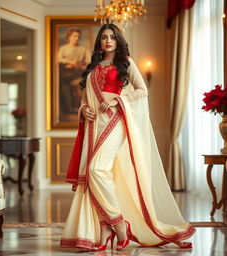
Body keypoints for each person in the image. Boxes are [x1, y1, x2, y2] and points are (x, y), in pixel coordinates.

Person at [60, 23, 195, 251]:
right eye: (104, 37)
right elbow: (85, 97)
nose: (108, 41)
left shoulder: (126, 63)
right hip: (94, 125)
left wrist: (118, 100)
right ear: (99, 42)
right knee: (100, 175)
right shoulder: (93, 65)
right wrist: (83, 110)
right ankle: (104, 227)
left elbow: (143, 90)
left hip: (116, 122)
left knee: (96, 169)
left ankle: (119, 223)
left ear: (118, 40)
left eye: (112, 37)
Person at [58, 28, 91, 115]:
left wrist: (81, 66)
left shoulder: (82, 48)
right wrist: (71, 62)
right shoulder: (63, 48)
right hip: (66, 72)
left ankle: (78, 106)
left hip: (78, 72)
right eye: (74, 36)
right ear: (69, 37)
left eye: (78, 36)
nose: (76, 38)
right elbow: (59, 59)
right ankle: (68, 107)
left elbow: (89, 61)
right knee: (64, 85)